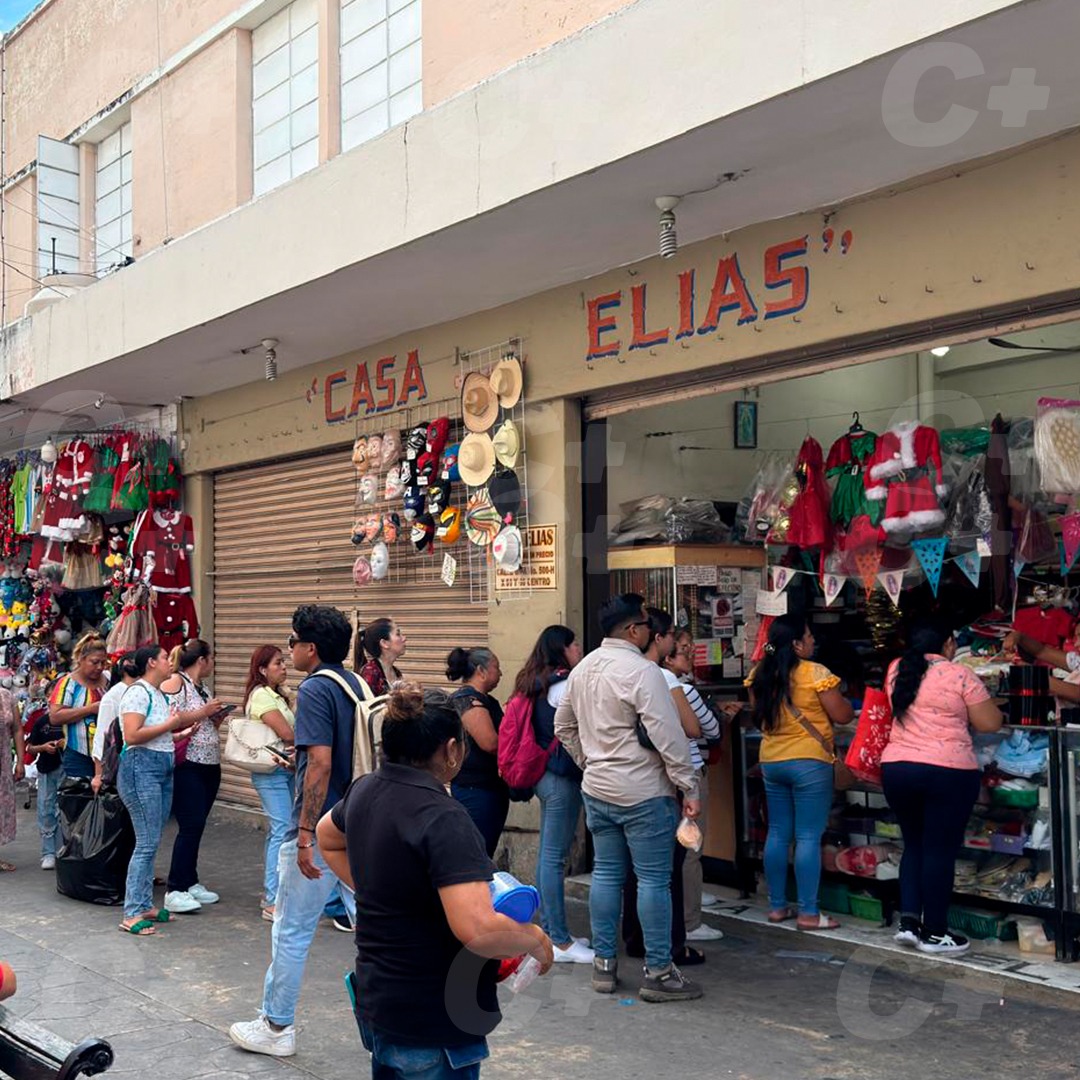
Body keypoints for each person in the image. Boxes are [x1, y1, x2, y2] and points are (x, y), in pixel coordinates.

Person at [316, 686, 554, 1080]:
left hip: (382, 1006)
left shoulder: (364, 790)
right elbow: (479, 930)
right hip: (434, 1020)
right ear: (451, 749)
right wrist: (536, 939)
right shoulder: (445, 818)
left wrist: (381, 890)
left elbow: (327, 836)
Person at [229, 605, 363, 1058]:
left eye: (293, 642)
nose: (290, 650)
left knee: (291, 930)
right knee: (378, 926)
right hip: (355, 820)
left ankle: (276, 1025)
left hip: (321, 829)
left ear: (311, 647)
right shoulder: (355, 684)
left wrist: (304, 833)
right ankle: (406, 1017)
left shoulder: (316, 689)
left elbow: (321, 761)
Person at [555, 593, 702, 1003]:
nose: (650, 632)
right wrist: (688, 786)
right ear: (634, 630)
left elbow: (562, 725)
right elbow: (668, 735)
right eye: (646, 625)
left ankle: (604, 964)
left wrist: (588, 760)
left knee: (606, 875)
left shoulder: (583, 668)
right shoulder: (643, 672)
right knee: (654, 880)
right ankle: (658, 971)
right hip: (644, 792)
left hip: (598, 789)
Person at [882, 618, 1003, 955]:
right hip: (947, 771)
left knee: (914, 845)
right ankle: (935, 932)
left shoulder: (896, 669)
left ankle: (909, 924)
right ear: (949, 644)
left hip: (898, 768)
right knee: (939, 850)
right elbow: (990, 722)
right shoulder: (959, 673)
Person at [747, 613, 853, 931]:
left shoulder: (758, 674)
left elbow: (759, 716)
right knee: (808, 835)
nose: (812, 641)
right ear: (795, 644)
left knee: (778, 833)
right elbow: (843, 715)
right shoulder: (815, 673)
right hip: (809, 761)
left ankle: (777, 906)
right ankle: (809, 913)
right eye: (808, 636)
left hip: (772, 760)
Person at [621, 608, 707, 968]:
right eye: (672, 634)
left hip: (615, 782)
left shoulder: (610, 670)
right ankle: (668, 951)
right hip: (659, 782)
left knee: (628, 870)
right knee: (664, 871)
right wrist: (689, 788)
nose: (676, 641)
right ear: (653, 637)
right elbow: (687, 731)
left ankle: (629, 941)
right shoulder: (659, 677)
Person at [117, 645, 215, 936]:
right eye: (163, 657)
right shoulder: (137, 693)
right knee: (146, 843)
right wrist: (172, 725)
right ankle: (132, 912)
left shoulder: (158, 693)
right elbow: (132, 735)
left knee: (152, 840)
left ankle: (144, 904)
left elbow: (159, 733)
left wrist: (180, 732)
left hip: (161, 766)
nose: (169, 661)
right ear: (151, 662)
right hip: (141, 768)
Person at [512, 624, 593, 965]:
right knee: (553, 858)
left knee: (549, 855)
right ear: (562, 649)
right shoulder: (564, 684)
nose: (579, 650)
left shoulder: (536, 681)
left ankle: (552, 932)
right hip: (560, 777)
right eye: (575, 645)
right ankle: (558, 940)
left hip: (545, 776)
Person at [663, 628, 724, 943]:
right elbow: (708, 729)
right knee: (690, 847)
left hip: (661, 775)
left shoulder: (647, 683)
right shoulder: (682, 690)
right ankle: (690, 920)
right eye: (683, 650)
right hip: (688, 771)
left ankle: (685, 906)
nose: (690, 655)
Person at [161, 639, 225, 914]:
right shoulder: (176, 682)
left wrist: (214, 718)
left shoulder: (202, 687)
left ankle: (190, 880)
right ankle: (175, 887)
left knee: (198, 826)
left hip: (209, 762)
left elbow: (200, 720)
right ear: (202, 660)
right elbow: (169, 718)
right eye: (211, 658)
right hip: (188, 763)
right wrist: (203, 711)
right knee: (190, 824)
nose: (213, 663)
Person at [243, 644, 296, 921]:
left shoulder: (277, 695)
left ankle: (278, 894)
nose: (284, 667)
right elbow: (287, 733)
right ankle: (272, 899)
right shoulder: (262, 695)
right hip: (271, 771)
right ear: (262, 669)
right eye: (277, 663)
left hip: (284, 769)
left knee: (281, 829)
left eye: (284, 661)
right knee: (282, 829)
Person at [447, 647, 509, 857]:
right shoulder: (469, 701)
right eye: (496, 668)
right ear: (481, 671)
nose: (500, 673)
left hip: (489, 787)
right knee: (477, 851)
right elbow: (490, 743)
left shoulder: (484, 700)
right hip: (476, 789)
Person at [48, 633, 108, 779]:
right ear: (81, 659)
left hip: (106, 754)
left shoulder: (109, 679)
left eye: (103, 662)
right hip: (78, 755)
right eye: (94, 662)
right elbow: (55, 717)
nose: (100, 667)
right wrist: (90, 709)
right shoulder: (68, 683)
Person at [90, 652, 139, 792]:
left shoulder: (143, 691)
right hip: (120, 765)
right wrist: (98, 775)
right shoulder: (113, 697)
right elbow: (102, 736)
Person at [25, 697, 65, 870]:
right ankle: (48, 852)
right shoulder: (41, 721)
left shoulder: (72, 720)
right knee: (46, 809)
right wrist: (43, 748)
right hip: (47, 769)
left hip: (68, 769)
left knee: (63, 810)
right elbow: (30, 747)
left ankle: (63, 849)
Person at [0, 685, 24, 872]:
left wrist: (20, 762)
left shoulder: (7, 696)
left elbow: (17, 730)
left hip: (3, 763)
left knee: (1, 807)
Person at [356, 618, 407, 696]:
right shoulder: (371, 673)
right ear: (384, 643)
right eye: (398, 634)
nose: (404, 638)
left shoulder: (397, 673)